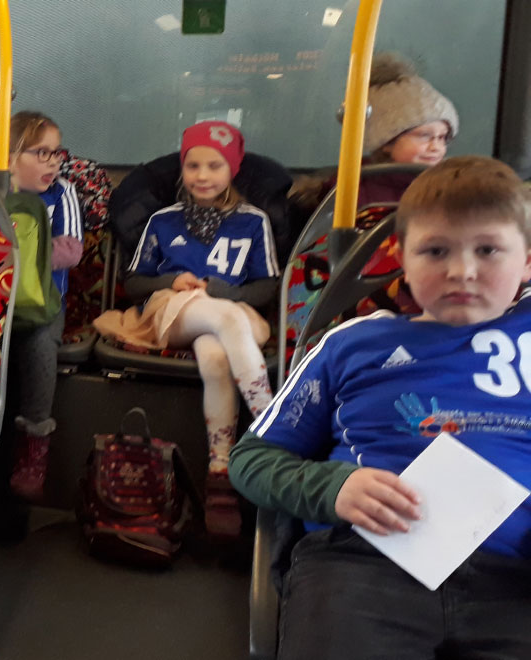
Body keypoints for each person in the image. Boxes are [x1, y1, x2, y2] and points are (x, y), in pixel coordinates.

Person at [230, 155, 531, 659]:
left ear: (526, 261)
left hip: (516, 575)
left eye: (488, 250)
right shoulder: (352, 344)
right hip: (365, 561)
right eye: (435, 250)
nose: (462, 271)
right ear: (403, 261)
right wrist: (333, 488)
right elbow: (251, 458)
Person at [94, 120, 279, 540]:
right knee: (224, 319)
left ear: (232, 169)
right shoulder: (163, 220)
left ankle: (220, 472)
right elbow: (134, 283)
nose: (202, 175)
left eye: (214, 166)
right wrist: (171, 281)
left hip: (232, 311)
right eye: (193, 165)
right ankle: (274, 428)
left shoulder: (253, 222)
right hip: (170, 311)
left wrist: (222, 291)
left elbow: (266, 286)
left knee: (215, 355)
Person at [0, 110, 84, 503]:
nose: (53, 163)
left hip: (43, 303)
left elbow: (72, 250)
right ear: (10, 156)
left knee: (39, 345)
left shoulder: (62, 194)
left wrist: (23, 253)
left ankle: (35, 442)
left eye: (57, 154)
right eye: (42, 153)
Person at [290, 52, 459, 214]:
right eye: (424, 136)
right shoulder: (354, 190)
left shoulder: (453, 187)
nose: (436, 147)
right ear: (386, 142)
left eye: (442, 137)